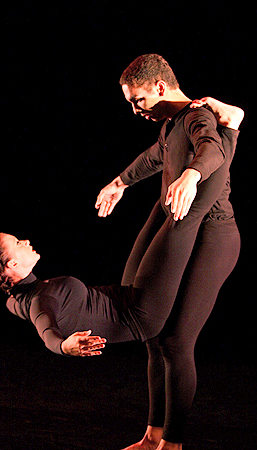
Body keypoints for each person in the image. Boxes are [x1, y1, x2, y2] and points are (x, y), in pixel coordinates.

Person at [95, 54, 243, 450]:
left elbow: (211, 148)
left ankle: (173, 445)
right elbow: (154, 157)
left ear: (160, 87)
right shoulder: (169, 126)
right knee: (155, 337)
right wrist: (119, 183)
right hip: (184, 231)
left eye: (138, 100)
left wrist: (192, 175)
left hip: (213, 239)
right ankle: (152, 436)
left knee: (177, 341)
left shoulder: (198, 117)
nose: (135, 110)